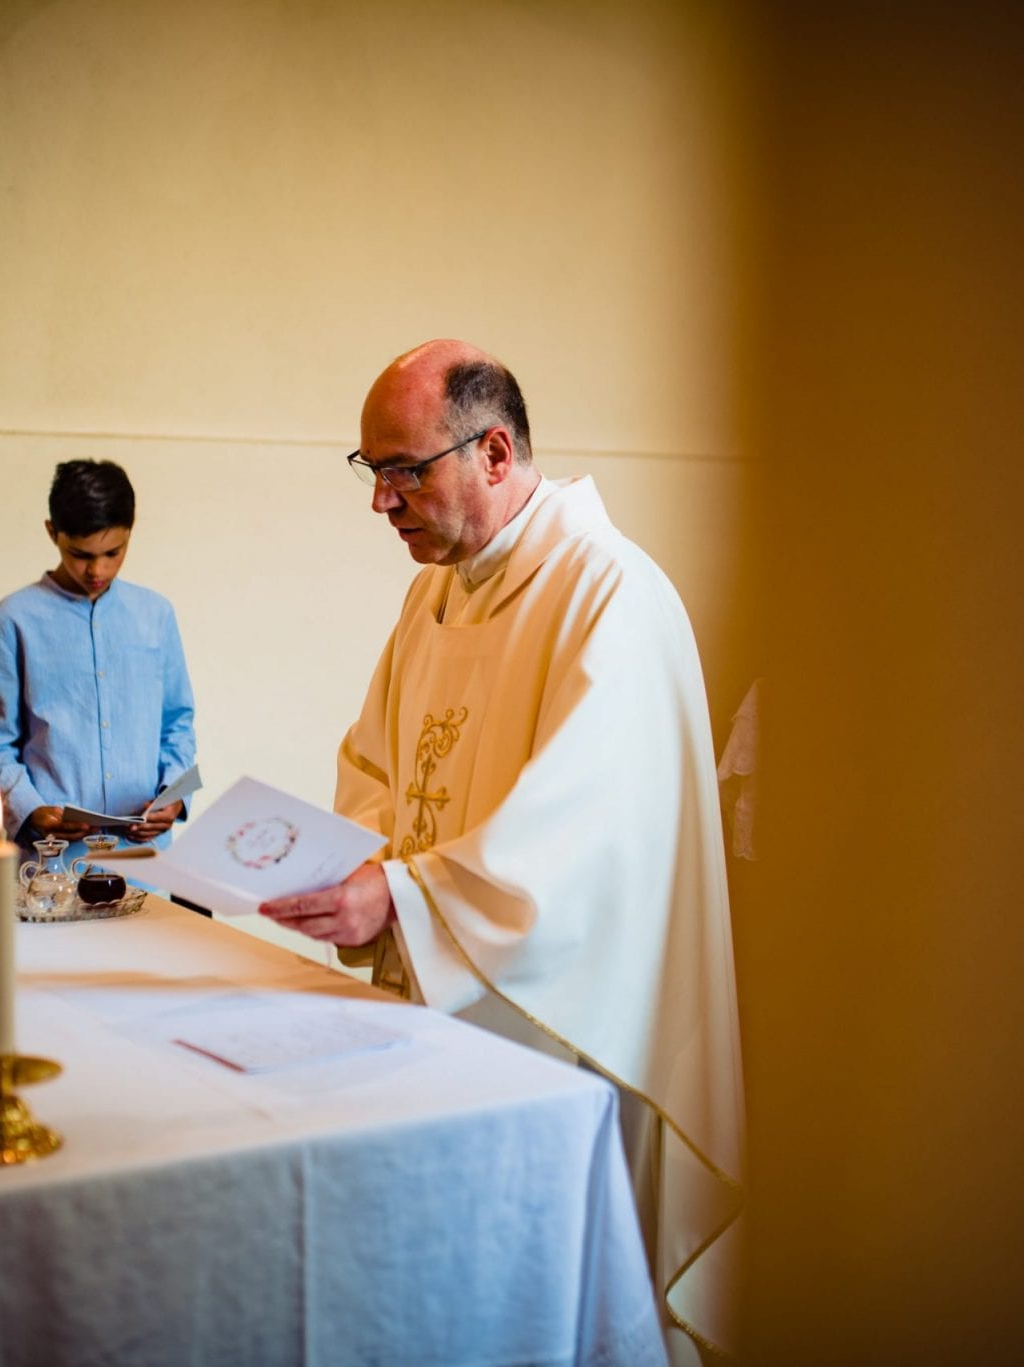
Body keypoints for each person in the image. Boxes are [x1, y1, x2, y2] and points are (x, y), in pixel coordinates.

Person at [259, 341, 743, 1361]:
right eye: (370, 470)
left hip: (560, 1026)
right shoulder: (436, 591)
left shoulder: (609, 594)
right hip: (439, 1015)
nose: (380, 501)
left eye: (402, 470)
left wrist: (398, 896)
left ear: (491, 450)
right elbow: (377, 762)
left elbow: (585, 831)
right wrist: (358, 865)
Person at [0, 459, 196, 852]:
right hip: (49, 864)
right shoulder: (12, 620)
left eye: (114, 551)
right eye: (80, 554)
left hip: (144, 863)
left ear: (131, 532)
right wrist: (31, 809)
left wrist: (174, 799)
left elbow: (178, 725)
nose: (98, 569)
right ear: (51, 532)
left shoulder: (156, 615)